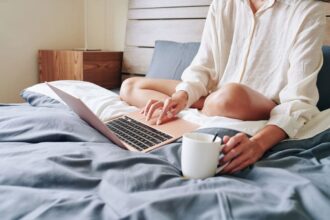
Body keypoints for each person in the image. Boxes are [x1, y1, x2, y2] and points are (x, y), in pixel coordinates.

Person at [120, 0, 327, 173]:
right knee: (129, 86)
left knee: (230, 94)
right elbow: (203, 65)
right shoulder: (222, 4)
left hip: (259, 102)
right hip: (216, 94)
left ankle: (204, 103)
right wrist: (182, 96)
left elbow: (299, 99)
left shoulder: (307, 10)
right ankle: (200, 103)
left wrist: (258, 144)